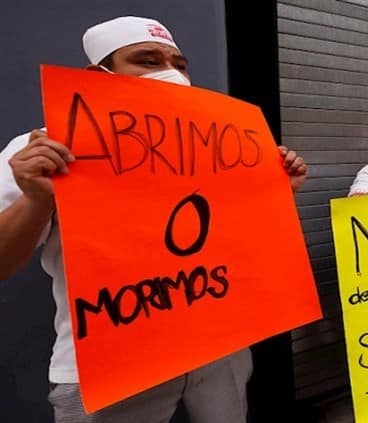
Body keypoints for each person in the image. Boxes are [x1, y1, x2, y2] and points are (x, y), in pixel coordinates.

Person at [0, 16, 308, 422]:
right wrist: (37, 200)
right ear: (100, 75)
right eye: (146, 60)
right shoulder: (46, 148)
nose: (170, 73)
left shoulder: (218, 146)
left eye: (178, 64)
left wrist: (274, 192)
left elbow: (242, 244)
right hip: (113, 365)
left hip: (219, 349)